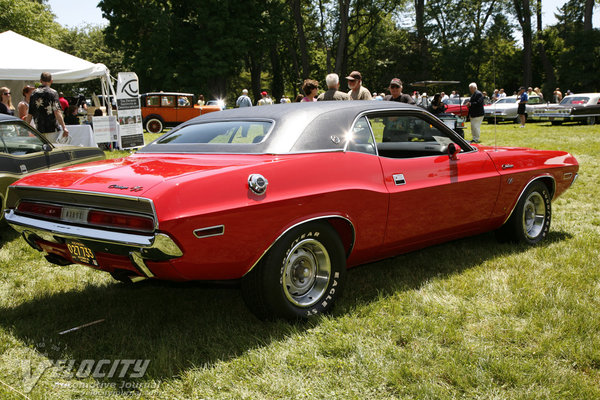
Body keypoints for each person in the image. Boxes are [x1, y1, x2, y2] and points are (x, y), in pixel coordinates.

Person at [25, 72, 69, 138]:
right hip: (52, 128)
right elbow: (57, 112)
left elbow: (30, 113)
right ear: (51, 81)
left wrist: (26, 128)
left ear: (40, 81)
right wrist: (64, 127)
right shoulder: (53, 93)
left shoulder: (34, 94)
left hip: (39, 129)